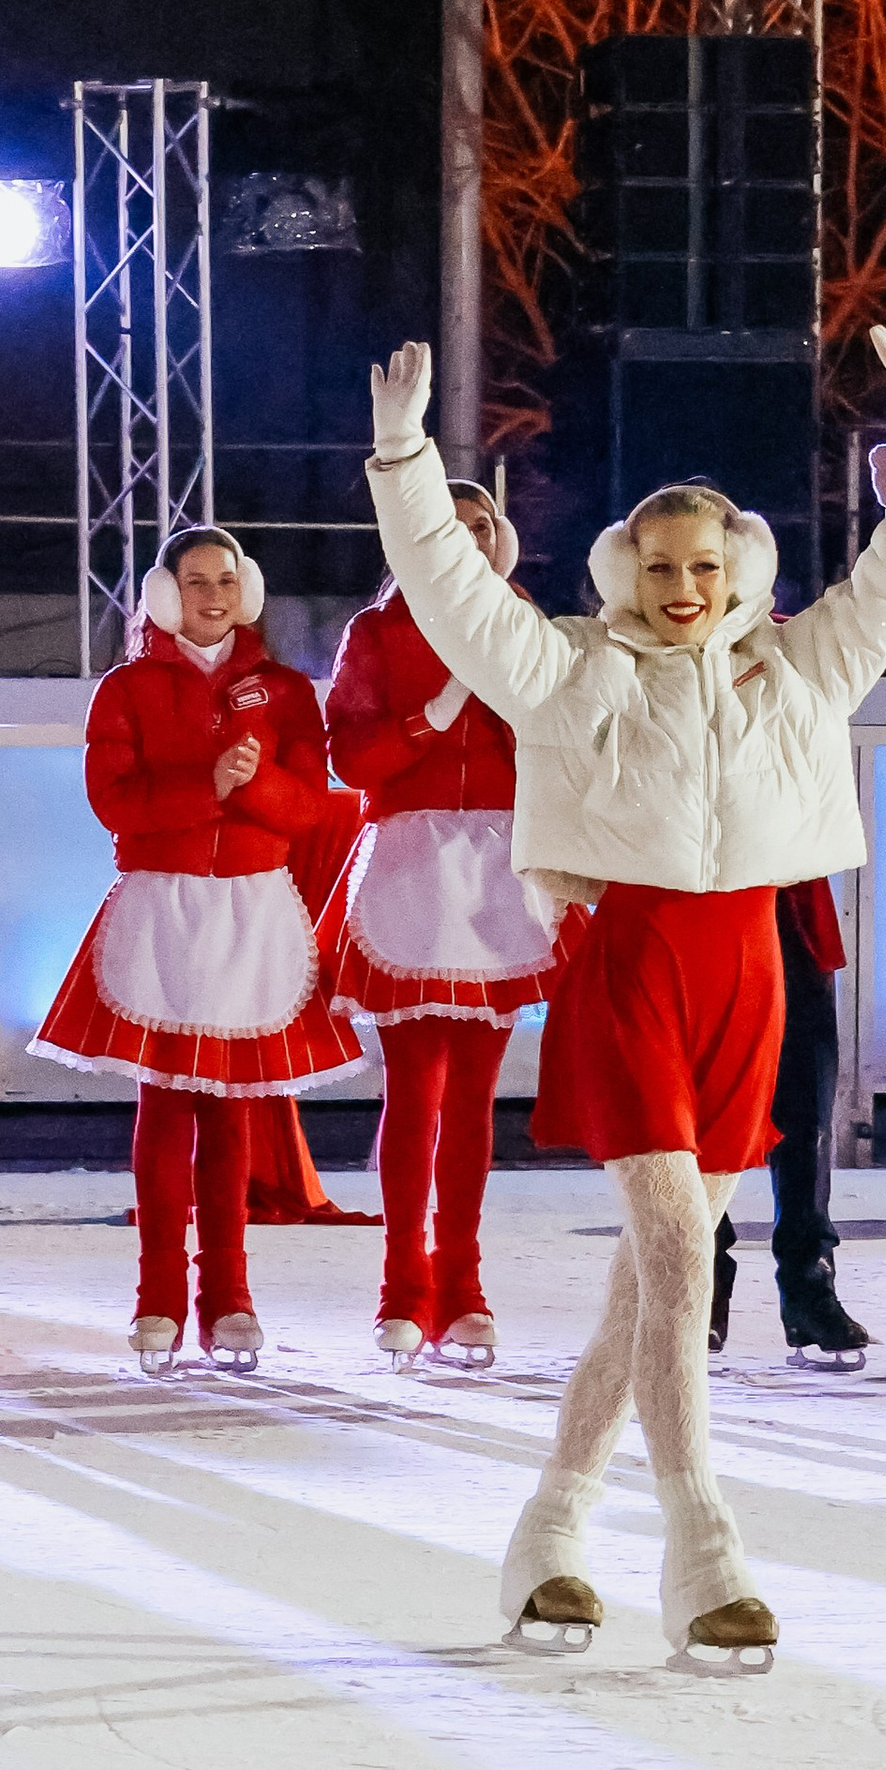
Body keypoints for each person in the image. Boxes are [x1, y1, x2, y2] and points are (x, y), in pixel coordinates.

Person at [363, 327, 886, 1669]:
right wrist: (407, 462)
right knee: (677, 1259)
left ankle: (552, 1530)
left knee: (648, 1285)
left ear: (740, 571)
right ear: (623, 573)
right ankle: (705, 1545)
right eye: (659, 565)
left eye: (705, 565)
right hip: (631, 965)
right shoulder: (576, 672)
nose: (684, 586)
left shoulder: (805, 666)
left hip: (747, 975)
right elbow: (453, 600)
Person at [33, 526, 358, 1373]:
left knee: (230, 1114)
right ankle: (157, 1298)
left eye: (225, 579)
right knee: (163, 1112)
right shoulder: (128, 688)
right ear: (164, 592)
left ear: (244, 590)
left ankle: (230, 1297)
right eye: (195, 580)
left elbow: (308, 809)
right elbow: (115, 802)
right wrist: (206, 788)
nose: (212, 594)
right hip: (162, 911)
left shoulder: (287, 690)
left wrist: (254, 785)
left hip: (252, 912)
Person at [321, 478, 552, 1368]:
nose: (462, 539)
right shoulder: (378, 630)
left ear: (500, 538)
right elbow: (352, 755)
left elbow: (557, 737)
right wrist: (430, 718)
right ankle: (401, 1286)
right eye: (445, 526)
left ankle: (462, 1282)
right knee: (414, 1087)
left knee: (475, 1096)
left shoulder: (522, 620)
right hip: (413, 863)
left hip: (497, 865)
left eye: (479, 525)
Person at [709, 882, 870, 1366]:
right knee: (702, 1110)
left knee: (806, 1112)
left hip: (790, 897)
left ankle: (809, 1288)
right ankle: (700, 1283)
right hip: (699, 892)